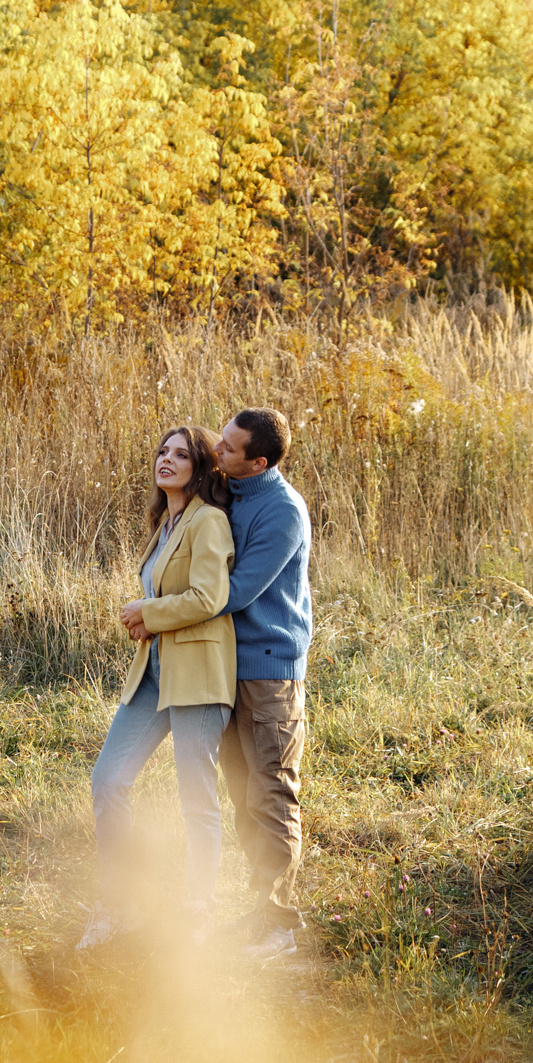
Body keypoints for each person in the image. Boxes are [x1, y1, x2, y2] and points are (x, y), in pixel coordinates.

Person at [79, 426, 237, 950]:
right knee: (108, 779)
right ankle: (118, 903)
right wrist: (149, 618)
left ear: (201, 467)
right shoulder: (165, 524)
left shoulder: (208, 522)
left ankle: (198, 912)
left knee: (197, 799)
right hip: (152, 675)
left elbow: (209, 596)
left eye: (181, 454)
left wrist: (149, 612)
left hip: (197, 674)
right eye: (162, 452)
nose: (167, 460)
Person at [214, 407, 313, 958]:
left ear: (259, 461)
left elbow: (239, 590)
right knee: (240, 792)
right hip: (229, 666)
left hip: (270, 671)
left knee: (271, 791)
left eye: (229, 448)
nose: (217, 451)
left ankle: (278, 926)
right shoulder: (232, 491)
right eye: (220, 439)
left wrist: (163, 611)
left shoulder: (281, 511)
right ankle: (259, 909)